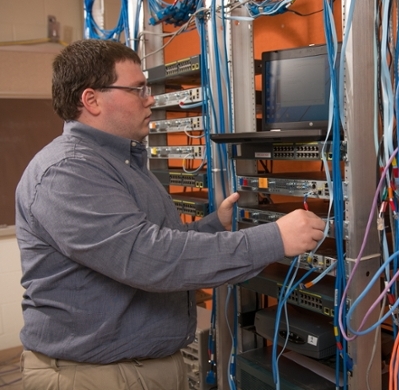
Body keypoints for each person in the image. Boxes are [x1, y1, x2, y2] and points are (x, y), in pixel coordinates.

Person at [15, 39, 326, 390]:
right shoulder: (68, 170)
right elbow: (149, 259)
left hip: (144, 366)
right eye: (137, 89)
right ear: (92, 100)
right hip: (94, 375)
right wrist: (275, 238)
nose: (150, 99)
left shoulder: (122, 162)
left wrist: (215, 226)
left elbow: (157, 241)